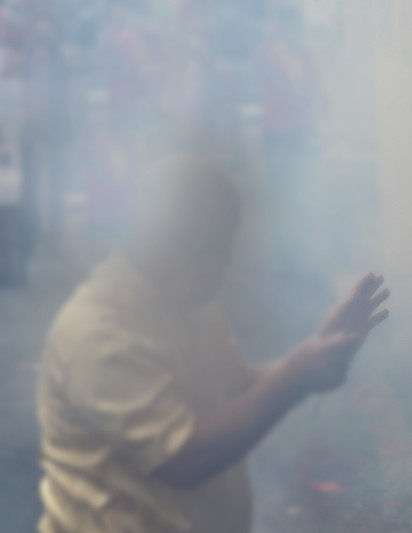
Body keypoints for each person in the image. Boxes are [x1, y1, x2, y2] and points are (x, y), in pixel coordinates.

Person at [36, 153, 390, 532]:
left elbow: (233, 386)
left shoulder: (187, 302)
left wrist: (318, 353)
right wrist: (291, 378)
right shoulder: (98, 331)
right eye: (218, 249)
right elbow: (183, 460)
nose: (227, 267)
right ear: (167, 244)